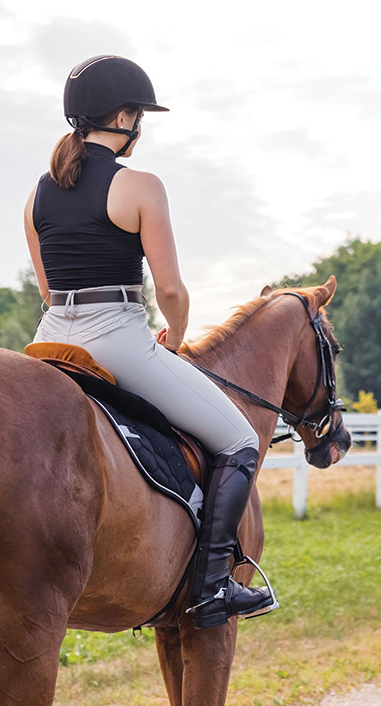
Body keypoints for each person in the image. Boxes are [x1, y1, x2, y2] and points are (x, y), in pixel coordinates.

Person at [23, 54, 276, 630]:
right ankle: (213, 587)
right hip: (115, 337)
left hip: (48, 340)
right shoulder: (139, 185)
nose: (141, 127)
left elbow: (46, 286)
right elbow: (170, 289)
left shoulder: (36, 196)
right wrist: (177, 335)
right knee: (239, 439)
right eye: (140, 116)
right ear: (123, 116)